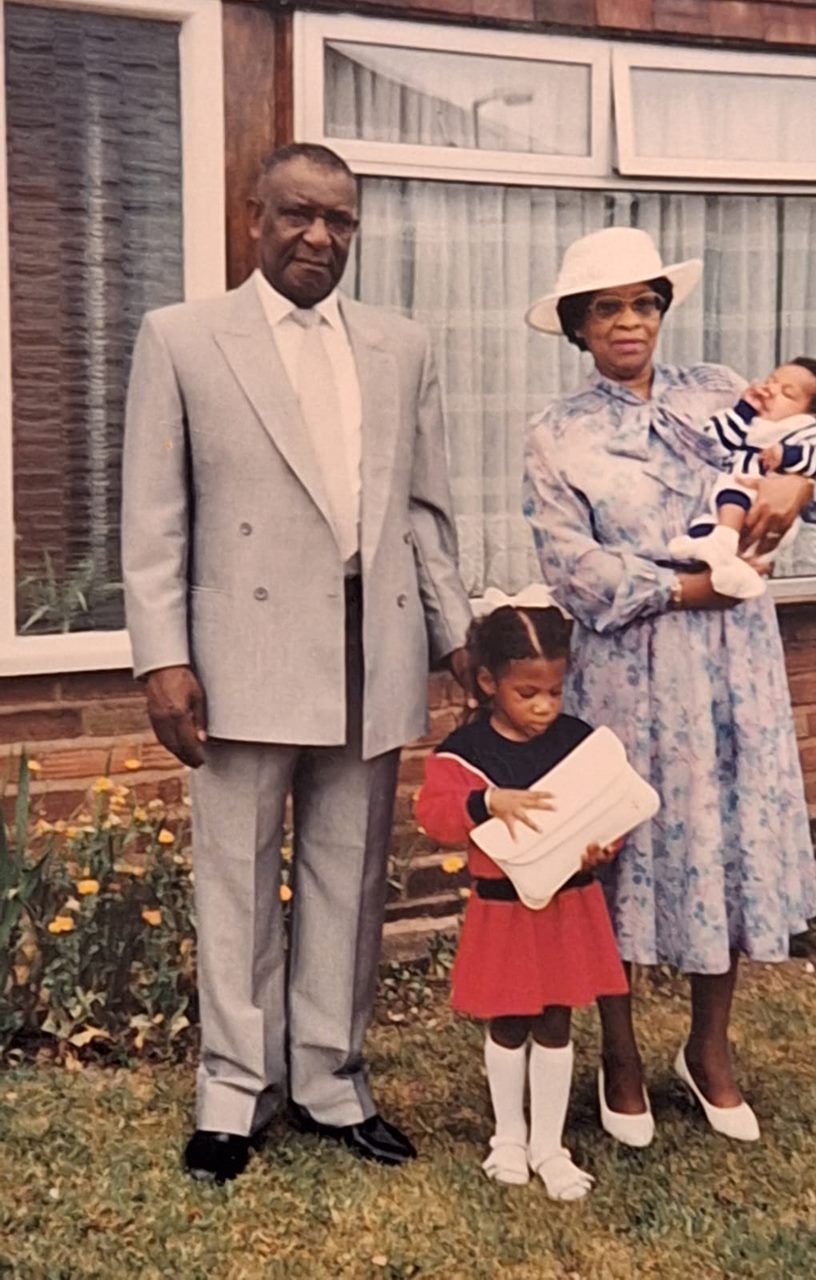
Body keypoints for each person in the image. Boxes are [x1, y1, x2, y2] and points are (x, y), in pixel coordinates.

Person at [122, 142, 473, 1183]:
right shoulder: (183, 338)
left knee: (348, 872)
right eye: (298, 215)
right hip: (239, 650)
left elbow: (424, 507)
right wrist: (161, 657)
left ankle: (330, 1078)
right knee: (235, 875)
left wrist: (457, 633)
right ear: (254, 217)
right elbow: (153, 514)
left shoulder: (401, 344)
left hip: (375, 639)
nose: (319, 236)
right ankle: (233, 1091)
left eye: (340, 221)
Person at [522, 227, 816, 1145]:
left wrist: (791, 491)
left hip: (734, 669)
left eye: (642, 303)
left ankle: (709, 1049)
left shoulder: (721, 391)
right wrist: (681, 587)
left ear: (661, 313)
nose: (627, 322)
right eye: (606, 308)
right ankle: (621, 1056)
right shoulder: (558, 433)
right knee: (621, 855)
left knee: (729, 840)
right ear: (576, 326)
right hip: (629, 670)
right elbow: (570, 567)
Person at [415, 595, 634, 1200]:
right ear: (489, 683)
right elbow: (432, 814)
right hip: (504, 908)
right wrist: (487, 802)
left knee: (557, 1019)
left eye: (554, 693)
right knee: (509, 1020)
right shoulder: (467, 752)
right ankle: (508, 1137)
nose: (543, 708)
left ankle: (550, 1144)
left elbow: (608, 807)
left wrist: (601, 848)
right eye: (526, 694)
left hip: (568, 903)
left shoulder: (577, 741)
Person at [667, 358, 816, 599]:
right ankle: (715, 556)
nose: (771, 390)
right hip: (724, 506)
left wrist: (789, 457)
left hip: (762, 513)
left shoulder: (805, 434)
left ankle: (728, 550)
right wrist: (743, 410)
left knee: (736, 491)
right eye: (771, 381)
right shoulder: (746, 422)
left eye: (787, 393)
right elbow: (714, 443)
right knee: (709, 515)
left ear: (810, 415)